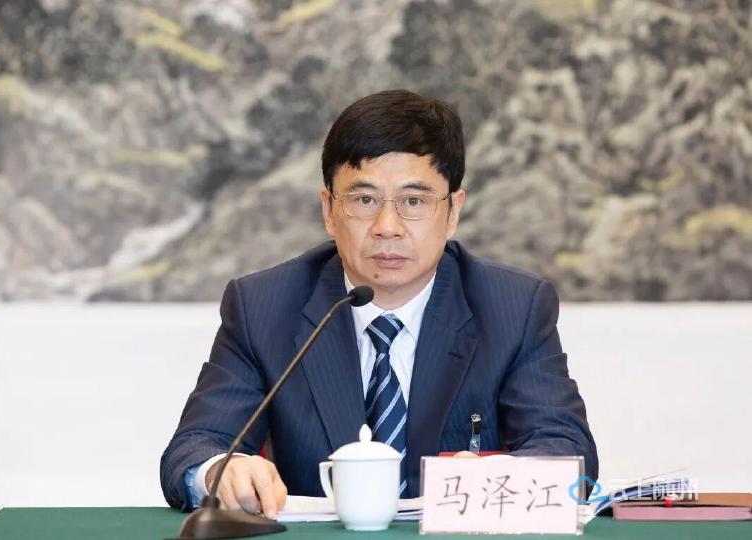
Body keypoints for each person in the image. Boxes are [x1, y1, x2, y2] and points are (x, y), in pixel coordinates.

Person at [160, 89, 598, 517]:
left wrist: (500, 476)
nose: (387, 226)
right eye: (364, 200)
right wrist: (222, 470)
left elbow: (565, 448)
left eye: (414, 201)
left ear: (453, 212)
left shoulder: (513, 308)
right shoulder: (263, 307)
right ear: (329, 210)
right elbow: (195, 446)